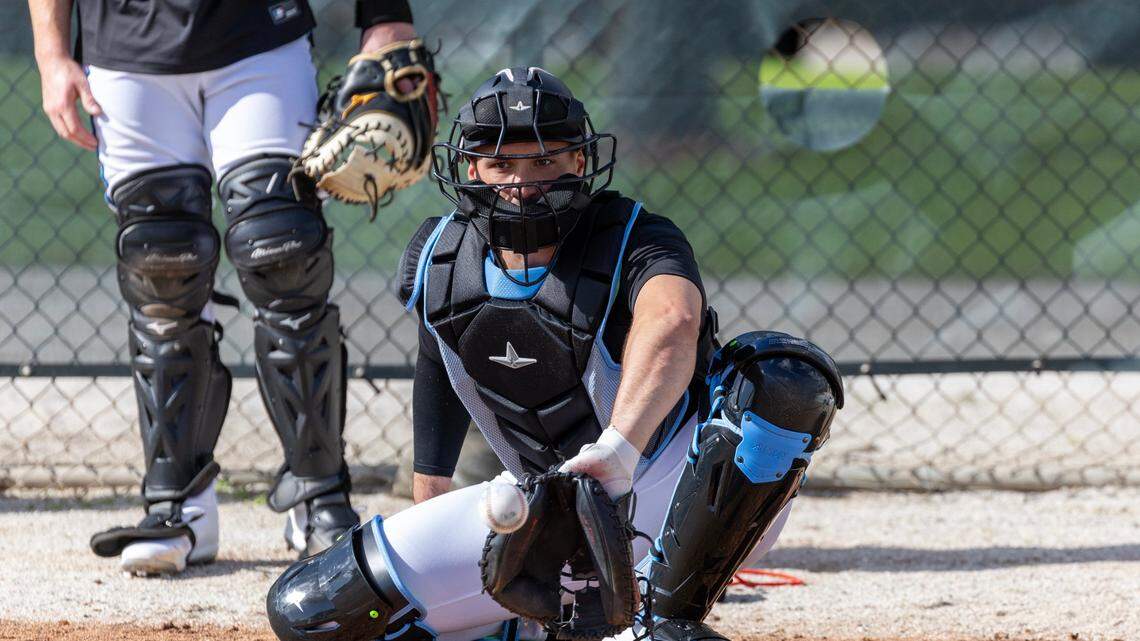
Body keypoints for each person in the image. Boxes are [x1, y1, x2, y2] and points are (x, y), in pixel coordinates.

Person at [266, 66, 843, 641]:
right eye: (502, 163)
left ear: (581, 163)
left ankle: (661, 617)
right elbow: (437, 371)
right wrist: (430, 505)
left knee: (782, 377)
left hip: (674, 495)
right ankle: (530, 627)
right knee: (310, 611)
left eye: (545, 161)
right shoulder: (440, 258)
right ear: (471, 170)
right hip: (540, 513)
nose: (523, 183)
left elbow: (674, 320)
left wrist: (619, 453)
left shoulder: (635, 235)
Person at [28, 0, 428, 575]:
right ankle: (178, 501)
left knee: (284, 254)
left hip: (257, 37)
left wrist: (385, 15)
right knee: (162, 269)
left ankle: (319, 495)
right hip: (123, 53)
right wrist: (51, 53)